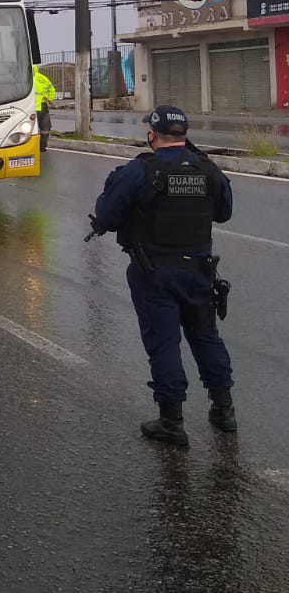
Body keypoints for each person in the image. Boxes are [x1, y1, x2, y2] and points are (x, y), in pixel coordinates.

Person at [90, 106, 236, 447]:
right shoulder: (207, 169)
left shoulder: (140, 170)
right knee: (206, 337)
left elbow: (107, 215)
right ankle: (225, 411)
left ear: (152, 134)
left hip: (154, 272)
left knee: (164, 342)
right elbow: (225, 212)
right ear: (184, 135)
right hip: (199, 271)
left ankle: (172, 421)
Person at [33, 65, 56, 152]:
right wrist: (50, 99)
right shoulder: (42, 78)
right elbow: (52, 89)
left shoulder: (25, 79)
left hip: (31, 108)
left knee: (30, 129)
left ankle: (31, 147)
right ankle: (42, 146)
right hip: (43, 106)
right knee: (45, 128)